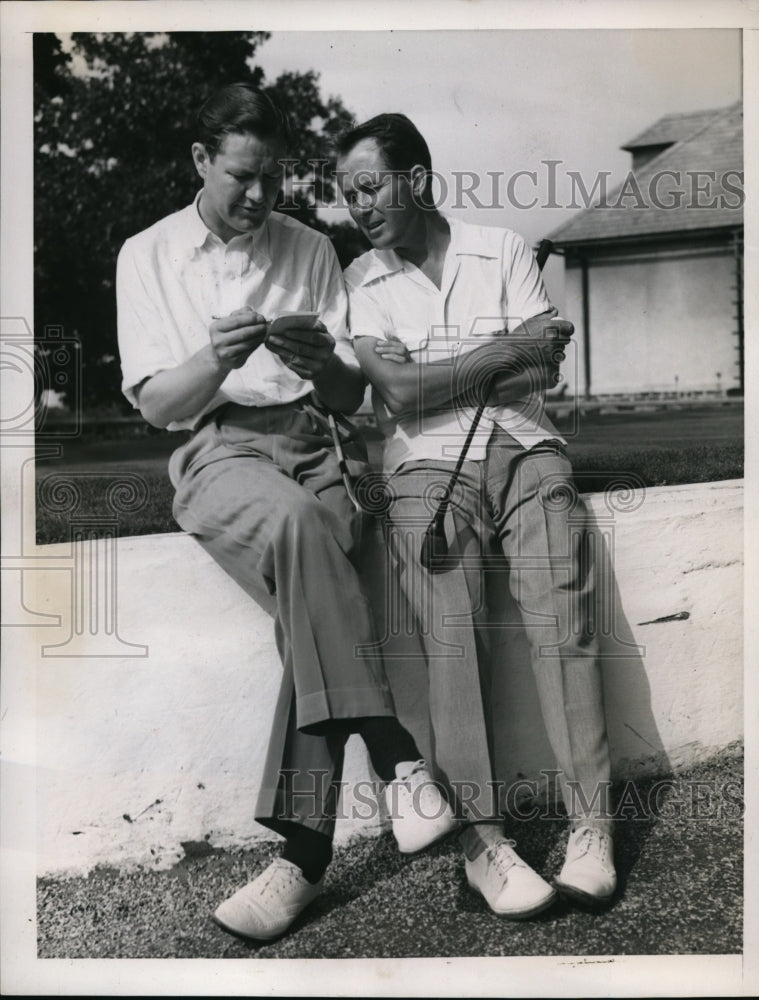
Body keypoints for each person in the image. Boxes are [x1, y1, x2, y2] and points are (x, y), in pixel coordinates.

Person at [116, 86, 458, 943]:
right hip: (218, 449)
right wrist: (212, 360)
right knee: (311, 540)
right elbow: (160, 405)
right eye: (242, 178)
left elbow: (347, 395)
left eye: (273, 179)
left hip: (315, 444)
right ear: (200, 161)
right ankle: (396, 756)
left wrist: (320, 361)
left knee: (315, 619)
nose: (261, 197)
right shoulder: (146, 254)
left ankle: (298, 865)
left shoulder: (309, 249)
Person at [336, 113, 617, 920]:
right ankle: (483, 844)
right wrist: (499, 353)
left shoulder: (501, 248)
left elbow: (546, 371)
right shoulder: (360, 281)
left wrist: (449, 370)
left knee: (561, 615)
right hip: (427, 467)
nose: (357, 206)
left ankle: (590, 832)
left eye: (367, 187)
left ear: (416, 181)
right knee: (448, 630)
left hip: (529, 448)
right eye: (346, 194)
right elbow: (400, 395)